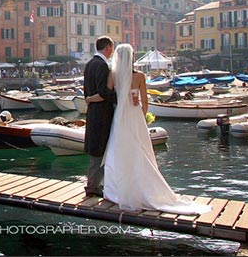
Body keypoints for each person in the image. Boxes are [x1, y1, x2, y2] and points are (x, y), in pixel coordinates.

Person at [87, 43, 211, 215]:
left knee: (118, 151)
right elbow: (145, 100)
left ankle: (116, 189)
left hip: (120, 116)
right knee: (140, 150)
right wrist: (142, 116)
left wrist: (90, 99)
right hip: (135, 115)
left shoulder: (113, 75)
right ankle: (142, 187)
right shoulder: (140, 76)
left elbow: (107, 95)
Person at [82, 36, 117, 197]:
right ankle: (93, 186)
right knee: (100, 149)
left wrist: (89, 99)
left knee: (95, 149)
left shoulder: (89, 64)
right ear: (108, 47)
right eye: (112, 47)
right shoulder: (102, 66)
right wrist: (118, 97)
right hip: (102, 113)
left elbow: (86, 90)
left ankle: (94, 184)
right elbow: (103, 92)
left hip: (92, 111)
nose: (112, 51)